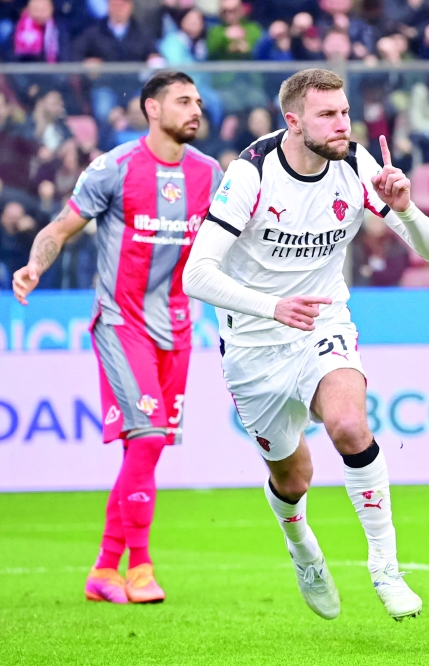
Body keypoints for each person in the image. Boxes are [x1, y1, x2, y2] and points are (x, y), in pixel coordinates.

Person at [182, 69, 429, 622]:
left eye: (346, 112)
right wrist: (271, 305)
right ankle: (302, 546)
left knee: (350, 426)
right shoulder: (251, 173)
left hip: (324, 325)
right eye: (328, 115)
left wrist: (404, 207)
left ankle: (386, 568)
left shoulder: (357, 165)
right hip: (254, 343)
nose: (342, 125)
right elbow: (195, 276)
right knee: (293, 476)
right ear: (294, 121)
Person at [11, 71, 223, 605]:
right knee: (147, 439)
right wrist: (34, 267)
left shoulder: (209, 173)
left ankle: (104, 570)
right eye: (183, 101)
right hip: (120, 321)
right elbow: (58, 229)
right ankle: (142, 567)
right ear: (152, 109)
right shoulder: (114, 168)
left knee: (144, 452)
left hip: (177, 327)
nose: (195, 110)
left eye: (197, 101)